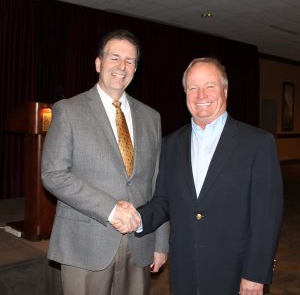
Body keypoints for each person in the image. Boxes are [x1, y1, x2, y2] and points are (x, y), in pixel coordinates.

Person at [128, 57, 283, 294]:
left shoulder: (257, 143)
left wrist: (255, 272)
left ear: (225, 91)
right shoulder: (171, 144)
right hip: (185, 270)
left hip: (235, 271)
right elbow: (164, 202)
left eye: (209, 86)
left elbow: (266, 216)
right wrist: (136, 218)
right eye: (193, 88)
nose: (201, 95)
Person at [41, 29, 169, 295]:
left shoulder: (151, 117)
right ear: (99, 63)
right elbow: (53, 174)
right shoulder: (69, 110)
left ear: (136, 69)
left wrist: (161, 242)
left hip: (139, 243)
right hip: (85, 243)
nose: (122, 66)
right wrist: (111, 209)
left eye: (130, 61)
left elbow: (159, 184)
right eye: (115, 58)